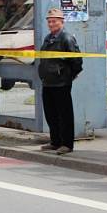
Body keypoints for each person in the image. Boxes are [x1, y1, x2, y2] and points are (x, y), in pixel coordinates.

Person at [37, 8, 83, 155]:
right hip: (48, 81)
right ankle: (55, 141)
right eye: (49, 21)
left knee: (64, 114)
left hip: (61, 82)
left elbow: (76, 60)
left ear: (62, 22)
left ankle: (67, 143)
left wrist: (70, 75)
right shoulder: (48, 37)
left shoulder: (66, 38)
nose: (51, 24)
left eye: (54, 21)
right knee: (51, 113)